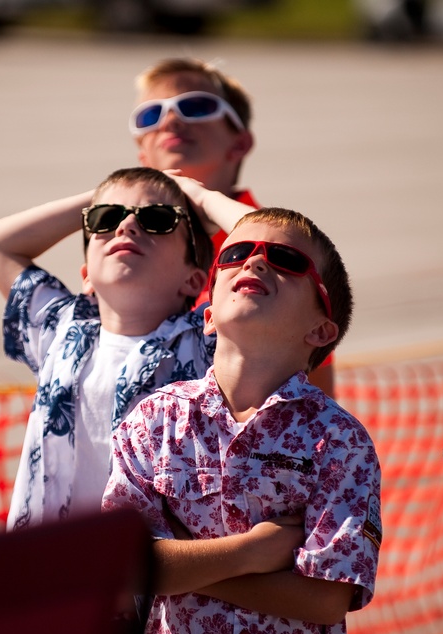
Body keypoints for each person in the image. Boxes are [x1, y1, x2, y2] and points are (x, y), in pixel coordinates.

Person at [103, 207, 382, 634]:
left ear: (320, 330)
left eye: (286, 260)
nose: (254, 263)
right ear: (208, 316)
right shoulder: (155, 420)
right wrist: (252, 552)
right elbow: (121, 564)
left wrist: (184, 567)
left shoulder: (339, 440)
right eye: (234, 254)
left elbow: (326, 598)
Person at [0, 167, 252, 529]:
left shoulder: (209, 340)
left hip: (157, 577)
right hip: (47, 575)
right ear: (87, 274)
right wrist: (100, 197)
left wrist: (200, 197)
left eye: (157, 219)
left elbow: (284, 244)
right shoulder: (61, 329)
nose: (126, 227)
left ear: (194, 280)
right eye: (106, 219)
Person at [131, 56, 336, 394]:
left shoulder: (286, 253)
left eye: (195, 106)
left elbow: (316, 400)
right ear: (143, 156)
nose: (169, 119)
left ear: (239, 143)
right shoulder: (121, 244)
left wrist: (202, 199)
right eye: (150, 115)